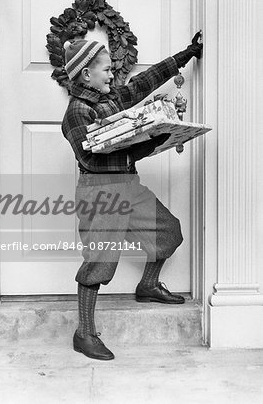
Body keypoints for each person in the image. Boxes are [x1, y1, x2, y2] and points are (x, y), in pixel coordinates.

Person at [61, 33, 203, 360]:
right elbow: (93, 159)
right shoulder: (77, 112)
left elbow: (143, 83)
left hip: (129, 185)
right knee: (99, 262)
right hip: (100, 192)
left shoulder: (110, 98)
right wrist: (149, 143)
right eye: (107, 70)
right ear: (86, 74)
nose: (113, 75)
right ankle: (84, 333)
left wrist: (186, 54)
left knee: (169, 232)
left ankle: (148, 286)